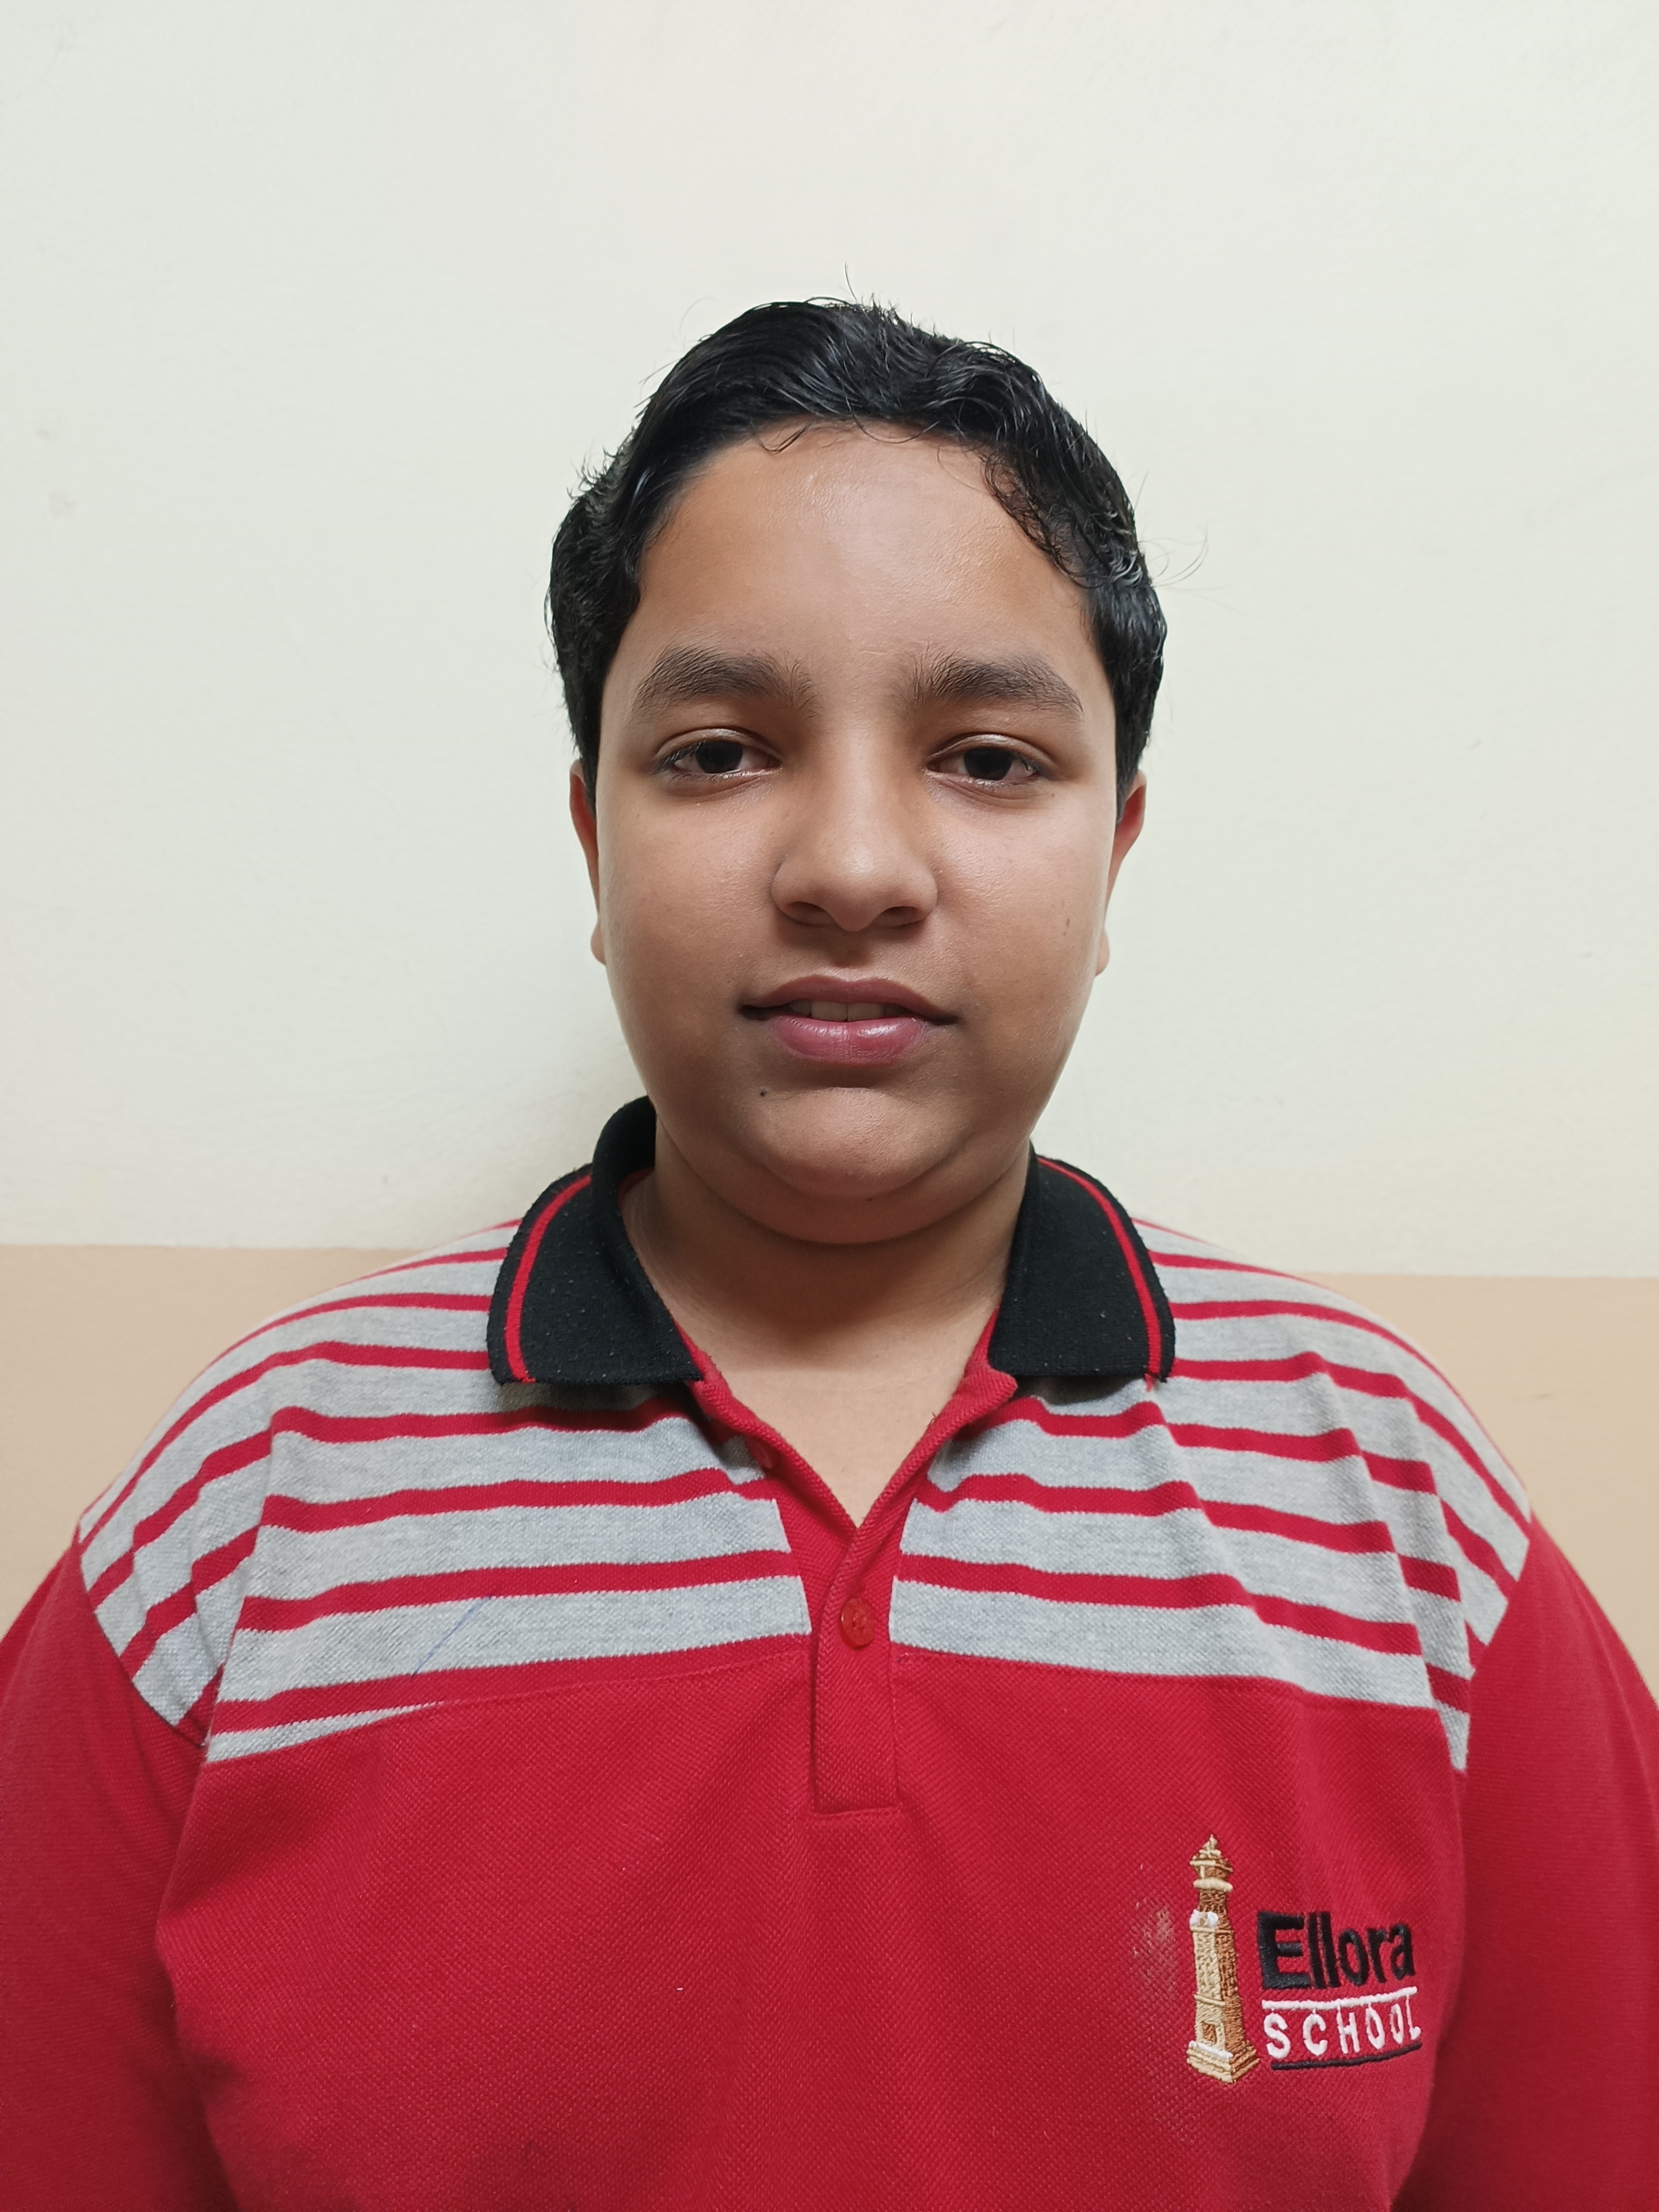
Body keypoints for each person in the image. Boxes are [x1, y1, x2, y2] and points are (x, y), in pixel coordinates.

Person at [2, 301, 1655, 2212]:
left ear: (1117, 851)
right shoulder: (246, 1511)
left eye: (989, 758)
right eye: (719, 751)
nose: (855, 866)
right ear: (592, 838)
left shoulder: (1397, 1504)